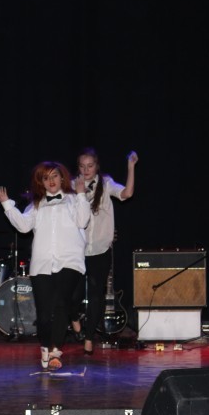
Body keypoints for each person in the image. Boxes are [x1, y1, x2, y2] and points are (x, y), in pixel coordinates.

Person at [0, 161, 90, 370]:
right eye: (46, 178)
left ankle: (56, 350)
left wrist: (82, 194)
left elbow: (83, 221)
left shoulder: (74, 200)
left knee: (61, 303)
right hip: (42, 264)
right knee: (44, 313)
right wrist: (7, 204)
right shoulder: (36, 205)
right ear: (42, 183)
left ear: (62, 178)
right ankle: (45, 346)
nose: (51, 181)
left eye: (54, 176)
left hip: (70, 260)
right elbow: (23, 226)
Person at [70, 148, 138, 354]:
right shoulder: (72, 186)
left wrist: (131, 167)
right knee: (72, 294)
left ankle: (89, 337)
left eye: (90, 166)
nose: (86, 170)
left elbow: (127, 193)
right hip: (77, 249)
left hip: (100, 249)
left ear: (97, 166)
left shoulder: (106, 184)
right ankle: (74, 317)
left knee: (96, 295)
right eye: (82, 166)